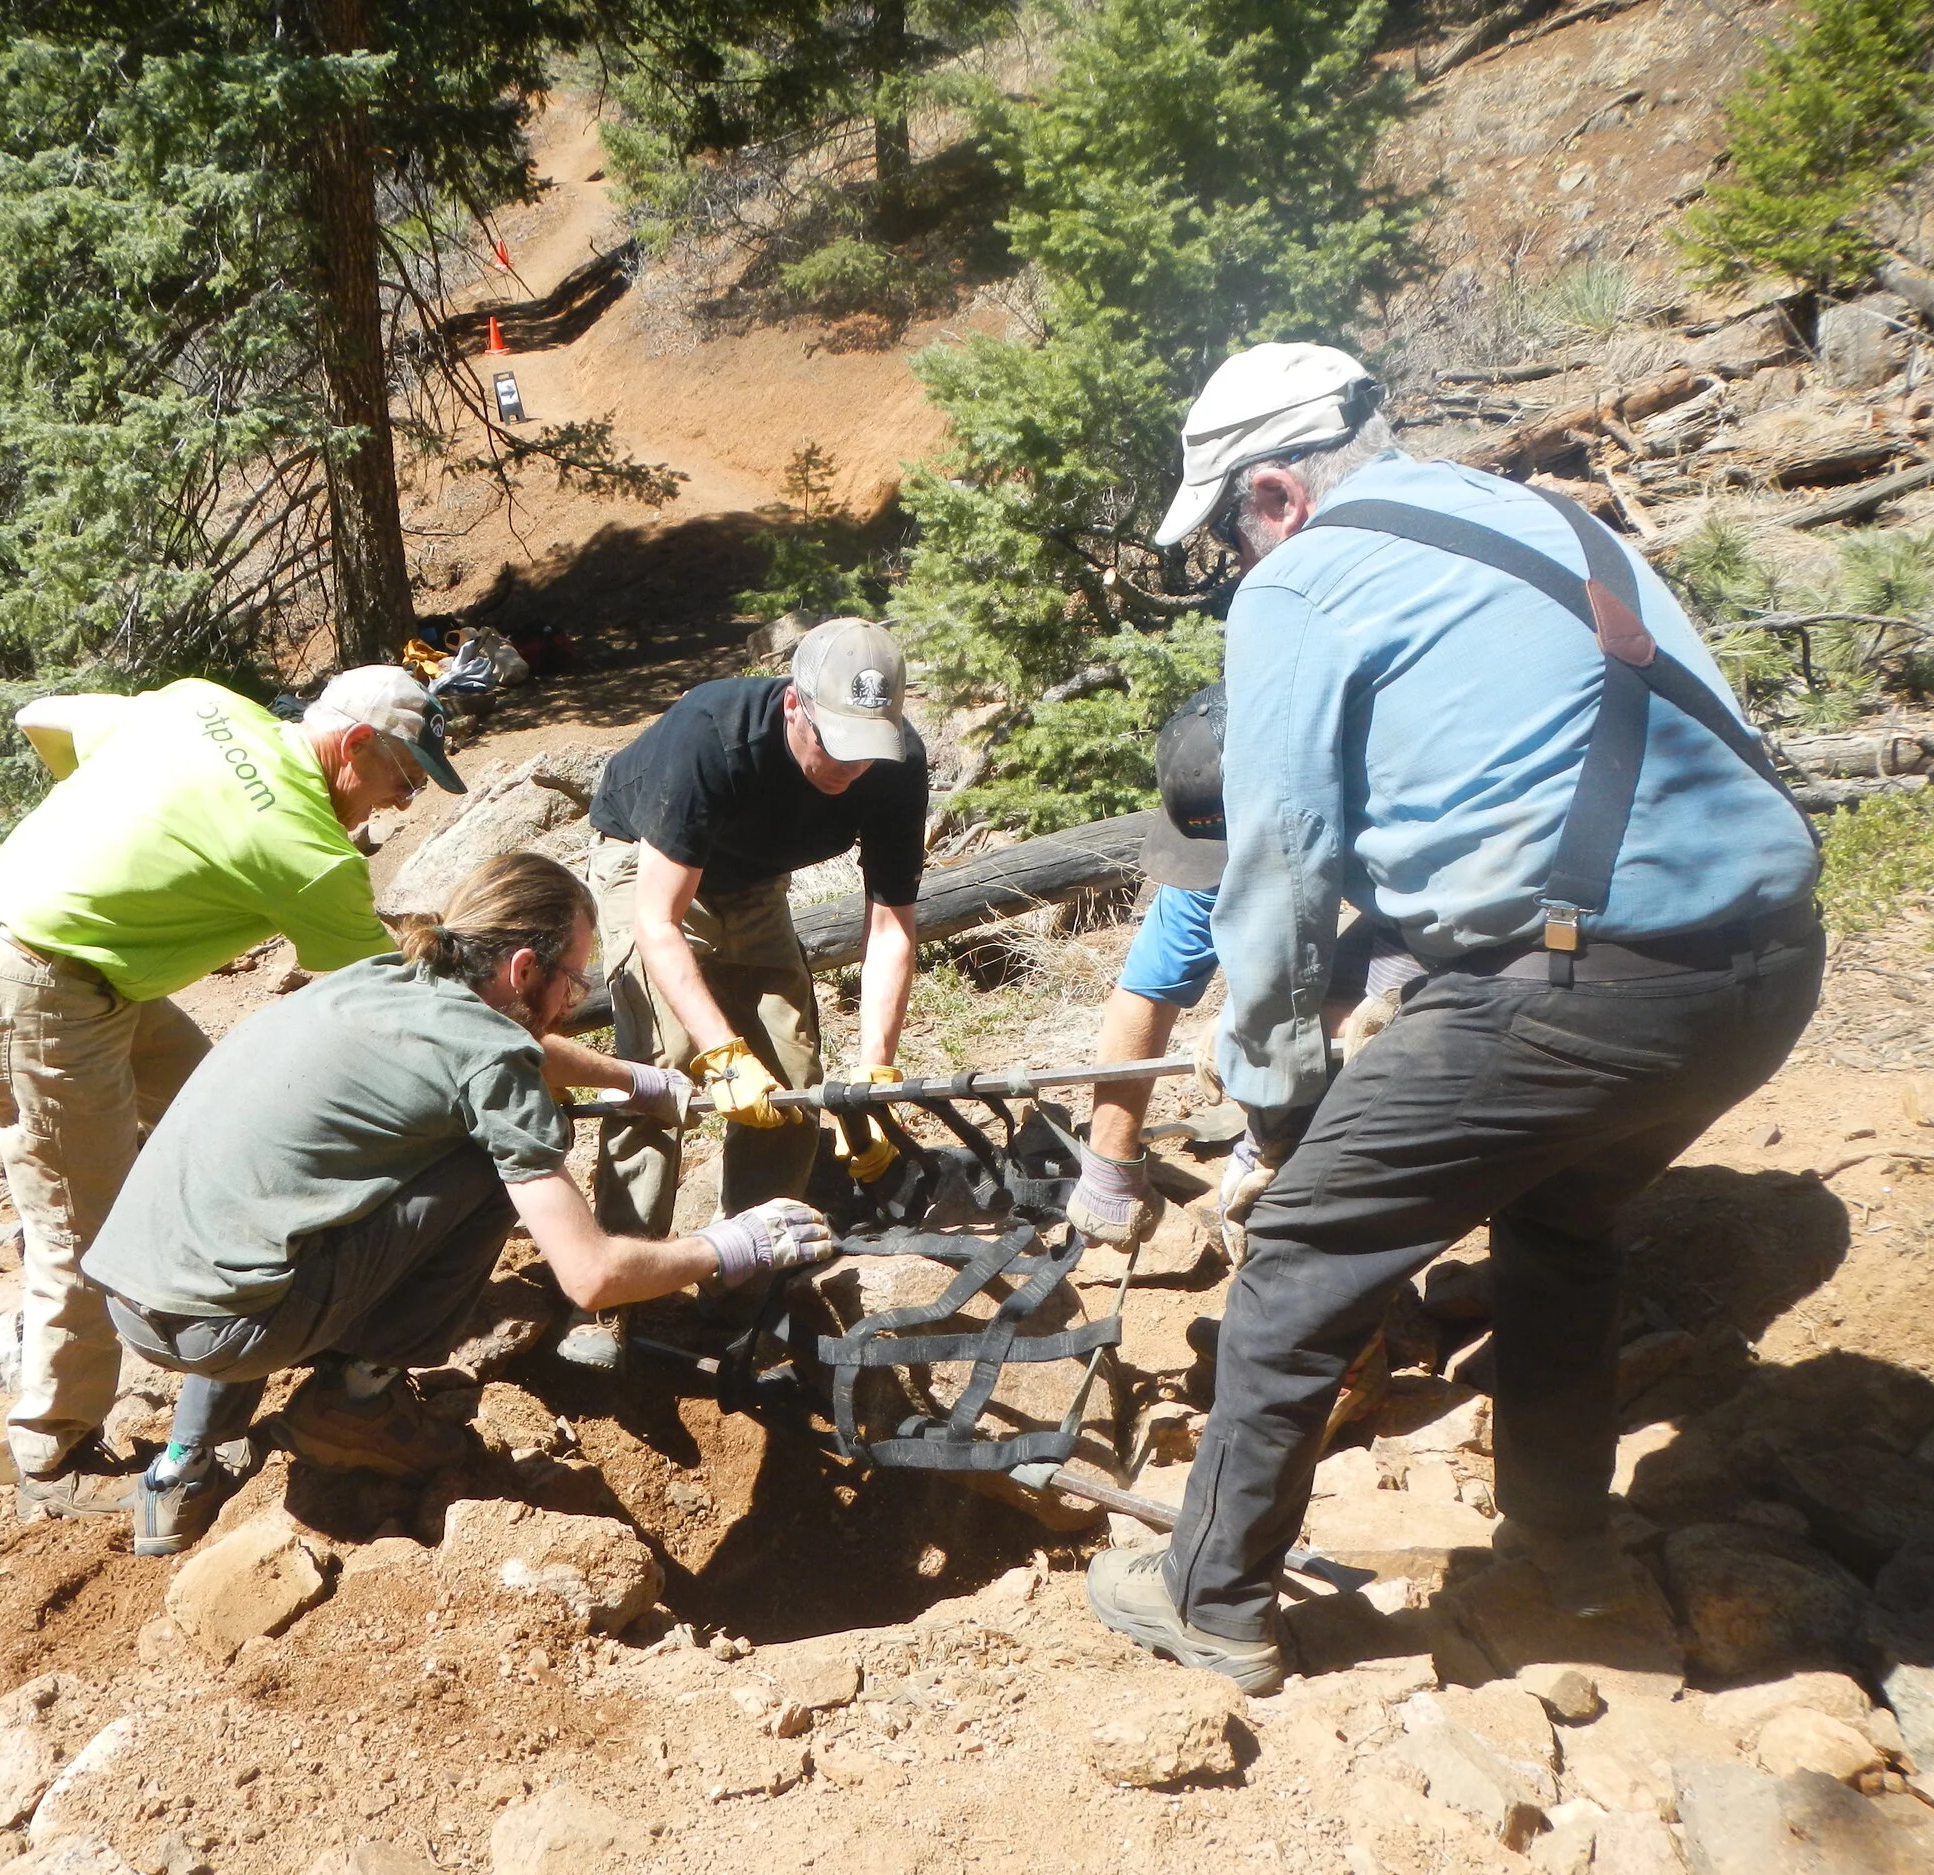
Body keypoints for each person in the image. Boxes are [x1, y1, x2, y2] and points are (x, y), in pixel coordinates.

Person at [1083, 342, 1823, 1693]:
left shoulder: (1303, 582)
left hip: (1589, 987)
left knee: (1304, 1253)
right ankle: (1563, 1547)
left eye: (1231, 535)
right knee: (1562, 1217)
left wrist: (1283, 1100)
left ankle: (1209, 1594)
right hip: (1768, 963)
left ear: (1274, 495)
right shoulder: (1546, 515)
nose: (1236, 565)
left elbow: (1281, 866)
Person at [85, 852, 833, 1555]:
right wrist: (738, 1240)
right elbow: (591, 1275)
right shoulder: (489, 1055)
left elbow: (513, 1046)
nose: (574, 999)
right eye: (574, 981)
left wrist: (631, 1079)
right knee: (485, 1160)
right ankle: (357, 1396)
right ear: (521, 967)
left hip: (138, 1290)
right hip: (231, 1327)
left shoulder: (383, 977)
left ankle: (180, 1468)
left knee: (285, 1207)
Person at [0, 665, 466, 1520]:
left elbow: (49, 717)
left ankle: (257, 1286)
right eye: (403, 778)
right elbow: (379, 1007)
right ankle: (52, 1448)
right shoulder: (309, 853)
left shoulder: (205, 707)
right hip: (40, 990)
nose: (403, 804)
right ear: (356, 744)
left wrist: (134, 851)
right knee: (83, 1224)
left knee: (226, 1115)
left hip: (71, 961)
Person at [586, 617, 929, 1251]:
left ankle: (752, 1257)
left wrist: (875, 1077)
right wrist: (723, 1053)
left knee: (792, 1073)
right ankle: (616, 1278)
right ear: (794, 704)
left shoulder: (895, 765)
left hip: (754, 881)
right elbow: (658, 919)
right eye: (837, 745)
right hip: (646, 860)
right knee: (664, 1062)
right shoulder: (711, 734)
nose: (852, 768)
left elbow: (889, 927)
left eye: (867, 748)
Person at [1065, 687, 1417, 1256]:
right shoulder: (1219, 824)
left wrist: (1275, 1054)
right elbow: (1146, 991)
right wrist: (1109, 1162)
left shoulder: (1392, 802)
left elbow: (1425, 947)